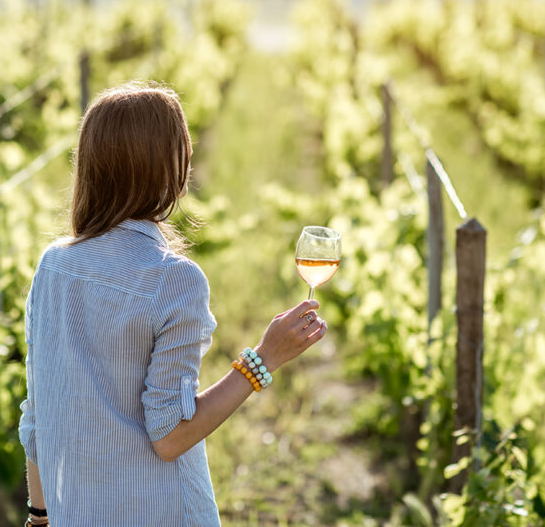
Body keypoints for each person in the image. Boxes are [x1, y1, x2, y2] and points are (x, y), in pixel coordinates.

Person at [18, 81, 327, 526]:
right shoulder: (175, 281)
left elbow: (38, 416)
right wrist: (263, 360)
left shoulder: (53, 267)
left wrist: (40, 517)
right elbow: (170, 436)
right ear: (169, 170)